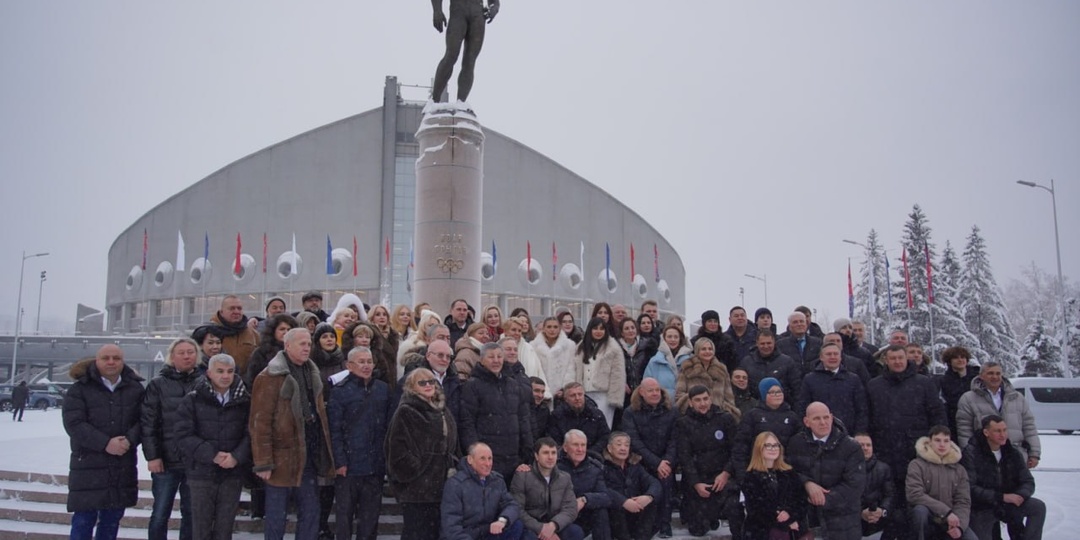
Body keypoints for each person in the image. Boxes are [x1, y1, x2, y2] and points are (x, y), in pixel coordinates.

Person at [249, 328, 335, 540]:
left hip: (308, 458)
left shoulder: (312, 372)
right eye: (302, 344)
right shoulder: (270, 376)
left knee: (311, 514)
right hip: (281, 459)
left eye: (308, 344)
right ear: (287, 346)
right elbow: (260, 422)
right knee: (277, 517)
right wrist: (264, 462)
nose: (307, 348)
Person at [63, 345, 146, 540]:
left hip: (121, 465)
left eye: (116, 358)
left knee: (111, 520)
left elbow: (145, 420)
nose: (111, 362)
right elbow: (74, 423)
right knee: (83, 520)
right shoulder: (80, 388)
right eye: (106, 358)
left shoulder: (134, 388)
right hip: (88, 465)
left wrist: (129, 440)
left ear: (122, 361)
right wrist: (105, 443)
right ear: (97, 361)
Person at [868, 343, 947, 538]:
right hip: (886, 452)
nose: (897, 362)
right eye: (893, 358)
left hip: (917, 452)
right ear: (886, 360)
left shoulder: (924, 383)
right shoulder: (874, 385)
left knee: (916, 503)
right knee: (891, 500)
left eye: (900, 358)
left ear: (907, 359)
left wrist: (937, 442)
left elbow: (937, 415)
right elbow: (868, 417)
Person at [174, 353, 251, 540]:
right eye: (220, 371)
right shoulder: (193, 399)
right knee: (201, 526)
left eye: (230, 371)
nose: (225, 376)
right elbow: (183, 435)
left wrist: (236, 456)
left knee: (225, 527)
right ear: (209, 373)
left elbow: (252, 433)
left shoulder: (244, 400)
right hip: (201, 472)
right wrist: (212, 455)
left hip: (232, 472)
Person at [386, 368, 460, 540]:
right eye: (422, 382)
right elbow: (396, 451)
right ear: (412, 387)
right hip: (417, 490)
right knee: (417, 534)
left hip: (442, 486)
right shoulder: (406, 411)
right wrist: (418, 469)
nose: (428, 385)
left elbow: (452, 443)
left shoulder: (442, 409)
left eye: (431, 381)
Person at [141, 337, 204, 540]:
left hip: (194, 461)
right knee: (160, 513)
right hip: (166, 461)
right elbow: (149, 423)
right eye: (182, 352)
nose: (187, 356)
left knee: (192, 514)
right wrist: (153, 456)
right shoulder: (158, 385)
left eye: (191, 352)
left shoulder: (204, 382)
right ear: (172, 357)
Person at [328, 347, 393, 540]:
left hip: (374, 465)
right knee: (344, 516)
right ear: (349, 365)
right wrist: (339, 461)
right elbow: (334, 429)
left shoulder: (382, 389)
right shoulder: (339, 392)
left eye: (369, 361)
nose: (366, 366)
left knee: (370, 517)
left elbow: (389, 427)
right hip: (349, 465)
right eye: (361, 362)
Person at [785, 402, 865, 540]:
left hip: (843, 522)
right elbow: (788, 474)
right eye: (816, 418)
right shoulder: (795, 444)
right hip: (807, 521)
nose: (823, 422)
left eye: (826, 417)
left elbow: (855, 485)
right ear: (807, 421)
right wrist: (806, 483)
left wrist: (822, 499)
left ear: (832, 417)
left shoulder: (851, 447)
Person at [961, 415, 1045, 540]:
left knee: (1037, 507)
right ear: (986, 432)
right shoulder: (971, 453)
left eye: (1005, 430)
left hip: (1009, 504)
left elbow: (1027, 481)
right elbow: (970, 488)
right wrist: (1002, 497)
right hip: (982, 507)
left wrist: (1020, 495)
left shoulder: (1012, 452)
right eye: (998, 431)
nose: (1003, 435)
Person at [460, 342, 534, 482]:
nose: (496, 361)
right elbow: (467, 422)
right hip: (487, 459)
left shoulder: (513, 385)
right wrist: (475, 452)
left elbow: (523, 419)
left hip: (513, 458)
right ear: (481, 360)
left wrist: (527, 451)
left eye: (499, 356)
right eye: (491, 357)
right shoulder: (472, 385)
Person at [676, 385, 743, 538]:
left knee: (734, 506)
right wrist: (696, 483)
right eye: (698, 400)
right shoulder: (683, 423)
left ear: (711, 398)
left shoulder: (725, 418)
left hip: (724, 477)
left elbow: (737, 451)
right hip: (699, 480)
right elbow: (684, 457)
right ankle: (710, 516)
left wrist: (726, 474)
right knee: (697, 530)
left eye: (705, 399)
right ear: (691, 403)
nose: (703, 403)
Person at [620, 378, 678, 538]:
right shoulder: (630, 412)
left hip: (665, 460)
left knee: (666, 478)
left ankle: (665, 524)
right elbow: (634, 441)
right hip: (640, 460)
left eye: (657, 390)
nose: (655, 393)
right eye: (651, 390)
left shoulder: (672, 411)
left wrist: (666, 462)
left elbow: (675, 440)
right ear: (641, 392)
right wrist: (656, 462)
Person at [956, 360, 1040, 468]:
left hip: (1015, 456)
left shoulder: (1017, 398)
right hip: (983, 458)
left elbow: (1029, 427)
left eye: (998, 373)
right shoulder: (968, 398)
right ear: (981, 376)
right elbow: (964, 431)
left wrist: (1034, 453)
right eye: (990, 373)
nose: (995, 377)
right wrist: (969, 456)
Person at [906, 426, 977, 540]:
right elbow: (914, 494)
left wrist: (959, 527)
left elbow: (963, 501)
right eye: (937, 440)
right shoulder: (917, 465)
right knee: (920, 511)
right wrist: (946, 512)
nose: (942, 444)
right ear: (929, 442)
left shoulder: (959, 470)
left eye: (946, 441)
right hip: (927, 518)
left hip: (950, 521)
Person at [441, 442, 524, 540]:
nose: (488, 464)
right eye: (482, 458)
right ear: (470, 459)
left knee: (517, 525)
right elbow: (451, 525)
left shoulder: (497, 481)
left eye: (490, 458)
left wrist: (502, 520)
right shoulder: (456, 484)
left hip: (487, 533)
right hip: (465, 535)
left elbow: (511, 505)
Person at [510, 437, 584, 540]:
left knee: (575, 532)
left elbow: (570, 509)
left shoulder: (564, 478)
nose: (550, 457)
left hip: (555, 524)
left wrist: (553, 526)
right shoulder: (522, 476)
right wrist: (541, 528)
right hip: (532, 526)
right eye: (545, 453)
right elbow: (517, 509)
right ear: (536, 456)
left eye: (553, 453)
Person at [740, 432, 808, 540]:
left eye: (776, 445)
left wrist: (790, 514)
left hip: (792, 531)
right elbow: (756, 509)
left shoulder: (789, 473)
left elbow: (801, 500)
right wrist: (784, 523)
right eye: (768, 445)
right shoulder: (751, 477)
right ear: (759, 448)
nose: (773, 448)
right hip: (762, 532)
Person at [732, 378, 801, 479]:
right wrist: (742, 473)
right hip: (758, 470)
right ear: (764, 395)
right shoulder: (752, 415)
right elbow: (741, 446)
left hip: (784, 470)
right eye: (772, 392)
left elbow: (798, 446)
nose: (777, 394)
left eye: (779, 391)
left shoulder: (792, 417)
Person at [797, 342, 869, 433]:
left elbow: (862, 409)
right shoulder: (810, 379)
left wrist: (859, 432)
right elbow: (802, 408)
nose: (832, 357)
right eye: (828, 354)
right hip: (819, 433)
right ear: (821, 357)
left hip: (848, 433)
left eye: (835, 354)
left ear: (840, 357)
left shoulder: (853, 379)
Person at [601, 432, 660, 540]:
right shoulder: (602, 466)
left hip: (635, 511)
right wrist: (623, 501)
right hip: (615, 514)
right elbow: (601, 489)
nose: (623, 448)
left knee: (651, 502)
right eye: (619, 444)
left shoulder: (635, 466)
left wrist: (648, 496)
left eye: (626, 445)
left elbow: (654, 483)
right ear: (609, 448)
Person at [558, 429, 612, 539]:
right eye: (575, 445)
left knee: (601, 511)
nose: (580, 449)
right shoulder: (554, 467)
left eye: (583, 445)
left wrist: (584, 499)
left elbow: (606, 497)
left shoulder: (594, 468)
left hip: (584, 516)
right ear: (565, 447)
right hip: (560, 515)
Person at [574, 317, 625, 429]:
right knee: (584, 426)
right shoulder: (581, 347)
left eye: (601, 329)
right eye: (595, 328)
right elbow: (575, 369)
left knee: (603, 425)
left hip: (604, 394)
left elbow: (618, 374)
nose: (598, 331)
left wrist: (615, 397)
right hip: (584, 393)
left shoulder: (613, 348)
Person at [674, 337, 738, 419]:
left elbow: (729, 397)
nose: (707, 352)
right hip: (693, 417)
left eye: (710, 349)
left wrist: (725, 410)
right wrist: (696, 403)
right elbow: (679, 394)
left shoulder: (722, 369)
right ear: (697, 351)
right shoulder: (687, 367)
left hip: (717, 416)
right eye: (703, 349)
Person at [738, 329, 801, 404]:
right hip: (754, 407)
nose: (766, 346)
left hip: (781, 407)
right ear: (757, 343)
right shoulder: (747, 362)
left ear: (774, 343)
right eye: (762, 343)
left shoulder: (787, 362)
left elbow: (796, 389)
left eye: (769, 343)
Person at [547, 382, 610, 456]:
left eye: (580, 394)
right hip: (565, 457)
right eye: (573, 395)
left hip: (592, 456)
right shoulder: (557, 415)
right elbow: (553, 439)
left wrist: (589, 453)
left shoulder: (596, 414)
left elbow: (605, 436)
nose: (577, 398)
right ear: (566, 399)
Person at [853, 432, 895, 538]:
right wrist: (860, 513)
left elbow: (889, 495)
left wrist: (881, 511)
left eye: (868, 445)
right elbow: (841, 499)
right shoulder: (843, 469)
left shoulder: (884, 468)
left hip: (877, 514)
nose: (865, 448)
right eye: (861, 445)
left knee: (899, 517)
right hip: (852, 516)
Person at [210, 295, 260, 377]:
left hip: (245, 385)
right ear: (222, 312)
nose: (236, 311)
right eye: (232, 308)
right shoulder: (210, 332)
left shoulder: (254, 335)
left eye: (239, 308)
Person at [937, 346, 980, 439]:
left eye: (963, 357)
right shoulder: (944, 381)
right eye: (956, 357)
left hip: (977, 419)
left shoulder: (977, 378)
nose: (960, 360)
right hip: (955, 422)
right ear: (949, 361)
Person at [245, 313, 299, 387]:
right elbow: (252, 380)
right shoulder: (261, 353)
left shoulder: (298, 352)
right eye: (282, 329)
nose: (286, 332)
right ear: (273, 331)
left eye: (289, 329)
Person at [532, 316, 578, 398]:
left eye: (555, 327)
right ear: (543, 328)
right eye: (549, 327)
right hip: (540, 391)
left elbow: (571, 370)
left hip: (561, 392)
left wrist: (564, 389)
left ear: (560, 328)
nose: (552, 330)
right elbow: (533, 368)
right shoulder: (533, 346)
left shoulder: (569, 345)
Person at [642, 325, 691, 401]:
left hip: (685, 405)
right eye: (669, 337)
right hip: (662, 404)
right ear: (664, 339)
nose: (673, 339)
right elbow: (646, 385)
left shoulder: (689, 360)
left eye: (676, 337)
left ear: (680, 339)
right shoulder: (655, 361)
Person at [690, 309, 739, 376]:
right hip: (700, 375)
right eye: (709, 321)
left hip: (722, 376)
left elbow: (733, 361)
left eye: (715, 321)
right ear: (704, 323)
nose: (713, 324)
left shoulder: (727, 341)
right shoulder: (695, 341)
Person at [529, 378, 551, 442]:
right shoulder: (517, 409)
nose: (540, 395)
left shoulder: (544, 410)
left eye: (542, 392)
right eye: (536, 391)